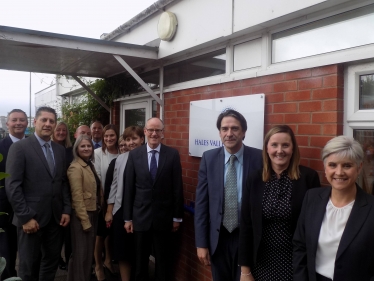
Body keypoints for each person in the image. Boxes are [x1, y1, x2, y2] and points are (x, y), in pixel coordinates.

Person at [238, 125, 320, 281]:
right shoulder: (254, 179)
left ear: (293, 149)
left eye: (285, 145)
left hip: (296, 264)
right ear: (267, 149)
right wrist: (245, 271)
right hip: (261, 263)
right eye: (274, 145)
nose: (279, 150)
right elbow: (246, 225)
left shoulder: (308, 178)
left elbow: (314, 226)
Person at [194, 109, 263, 281]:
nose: (229, 133)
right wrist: (201, 243)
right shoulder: (209, 158)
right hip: (219, 239)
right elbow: (202, 204)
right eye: (224, 129)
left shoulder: (259, 158)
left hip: (247, 236)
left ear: (244, 132)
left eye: (235, 129)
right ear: (219, 132)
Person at [293, 136, 374, 280]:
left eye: (347, 165)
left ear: (359, 168)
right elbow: (300, 245)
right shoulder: (311, 198)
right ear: (325, 167)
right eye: (332, 165)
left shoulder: (371, 208)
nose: (339, 172)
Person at [5, 106, 71, 281]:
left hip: (55, 219)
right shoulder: (20, 148)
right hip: (30, 220)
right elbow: (13, 186)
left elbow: (62, 182)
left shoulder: (59, 150)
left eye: (51, 121)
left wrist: (66, 209)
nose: (48, 124)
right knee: (28, 267)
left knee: (50, 263)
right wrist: (25, 217)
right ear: (35, 122)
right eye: (44, 120)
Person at [124, 117, 184, 281]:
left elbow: (177, 188)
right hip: (140, 217)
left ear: (163, 133)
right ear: (145, 132)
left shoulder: (172, 154)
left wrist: (177, 217)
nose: (154, 133)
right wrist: (127, 218)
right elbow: (129, 188)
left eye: (158, 130)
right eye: (151, 130)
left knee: (163, 263)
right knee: (140, 262)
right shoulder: (135, 155)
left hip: (164, 219)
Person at [104, 126, 144, 281]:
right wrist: (109, 210)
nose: (131, 142)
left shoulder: (147, 158)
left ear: (142, 139)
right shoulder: (120, 159)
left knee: (139, 250)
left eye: (134, 138)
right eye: (128, 139)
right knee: (122, 251)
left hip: (140, 211)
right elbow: (114, 185)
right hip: (121, 210)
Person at [67, 135, 102, 281]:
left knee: (87, 255)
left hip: (92, 212)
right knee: (81, 255)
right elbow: (77, 197)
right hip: (82, 216)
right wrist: (85, 220)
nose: (86, 148)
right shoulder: (75, 167)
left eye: (89, 146)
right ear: (77, 149)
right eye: (83, 146)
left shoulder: (88, 164)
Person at [0, 109, 28, 279]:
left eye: (22, 120)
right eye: (14, 120)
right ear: (7, 123)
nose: (18, 123)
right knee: (7, 250)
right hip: (5, 208)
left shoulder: (34, 144)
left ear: (27, 123)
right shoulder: (0, 147)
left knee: (29, 250)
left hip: (31, 206)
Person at [93, 124, 119, 280]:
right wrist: (104, 201)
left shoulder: (122, 152)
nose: (109, 139)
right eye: (106, 136)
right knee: (100, 234)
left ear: (117, 136)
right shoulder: (98, 153)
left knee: (111, 233)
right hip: (103, 199)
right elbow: (97, 176)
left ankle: (108, 260)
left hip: (118, 200)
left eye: (112, 136)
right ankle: (98, 265)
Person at [52, 121, 73, 270]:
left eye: (63, 130)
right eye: (58, 130)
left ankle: (69, 260)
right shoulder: (49, 149)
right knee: (55, 231)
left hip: (69, 193)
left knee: (68, 232)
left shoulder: (70, 150)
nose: (61, 132)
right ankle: (56, 258)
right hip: (53, 195)